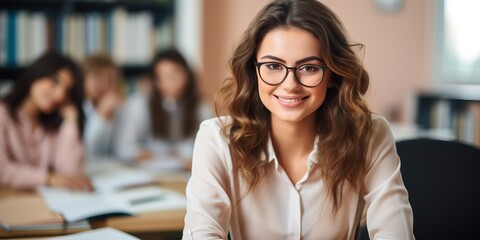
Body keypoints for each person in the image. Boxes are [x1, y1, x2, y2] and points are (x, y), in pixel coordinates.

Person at [183, 0, 414, 239]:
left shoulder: (369, 135)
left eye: (309, 68)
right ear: (254, 72)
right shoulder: (218, 140)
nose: (290, 85)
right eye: (273, 65)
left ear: (333, 75)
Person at [0, 52, 93, 191]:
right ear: (36, 74)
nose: (60, 95)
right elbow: (2, 172)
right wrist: (49, 178)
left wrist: (71, 121)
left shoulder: (51, 125)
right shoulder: (3, 114)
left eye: (67, 91)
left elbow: (70, 172)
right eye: (54, 81)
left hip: (40, 201)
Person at [116, 49, 212, 166]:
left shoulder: (201, 107)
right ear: (155, 81)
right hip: (150, 172)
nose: (169, 83)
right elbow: (124, 148)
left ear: (187, 76)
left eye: (174, 76)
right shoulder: (139, 105)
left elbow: (209, 146)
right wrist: (139, 153)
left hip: (186, 173)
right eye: (164, 77)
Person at [83, 53, 124, 160]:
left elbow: (121, 150)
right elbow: (85, 151)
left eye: (110, 79)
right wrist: (100, 116)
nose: (105, 85)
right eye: (98, 78)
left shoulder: (118, 109)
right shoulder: (77, 108)